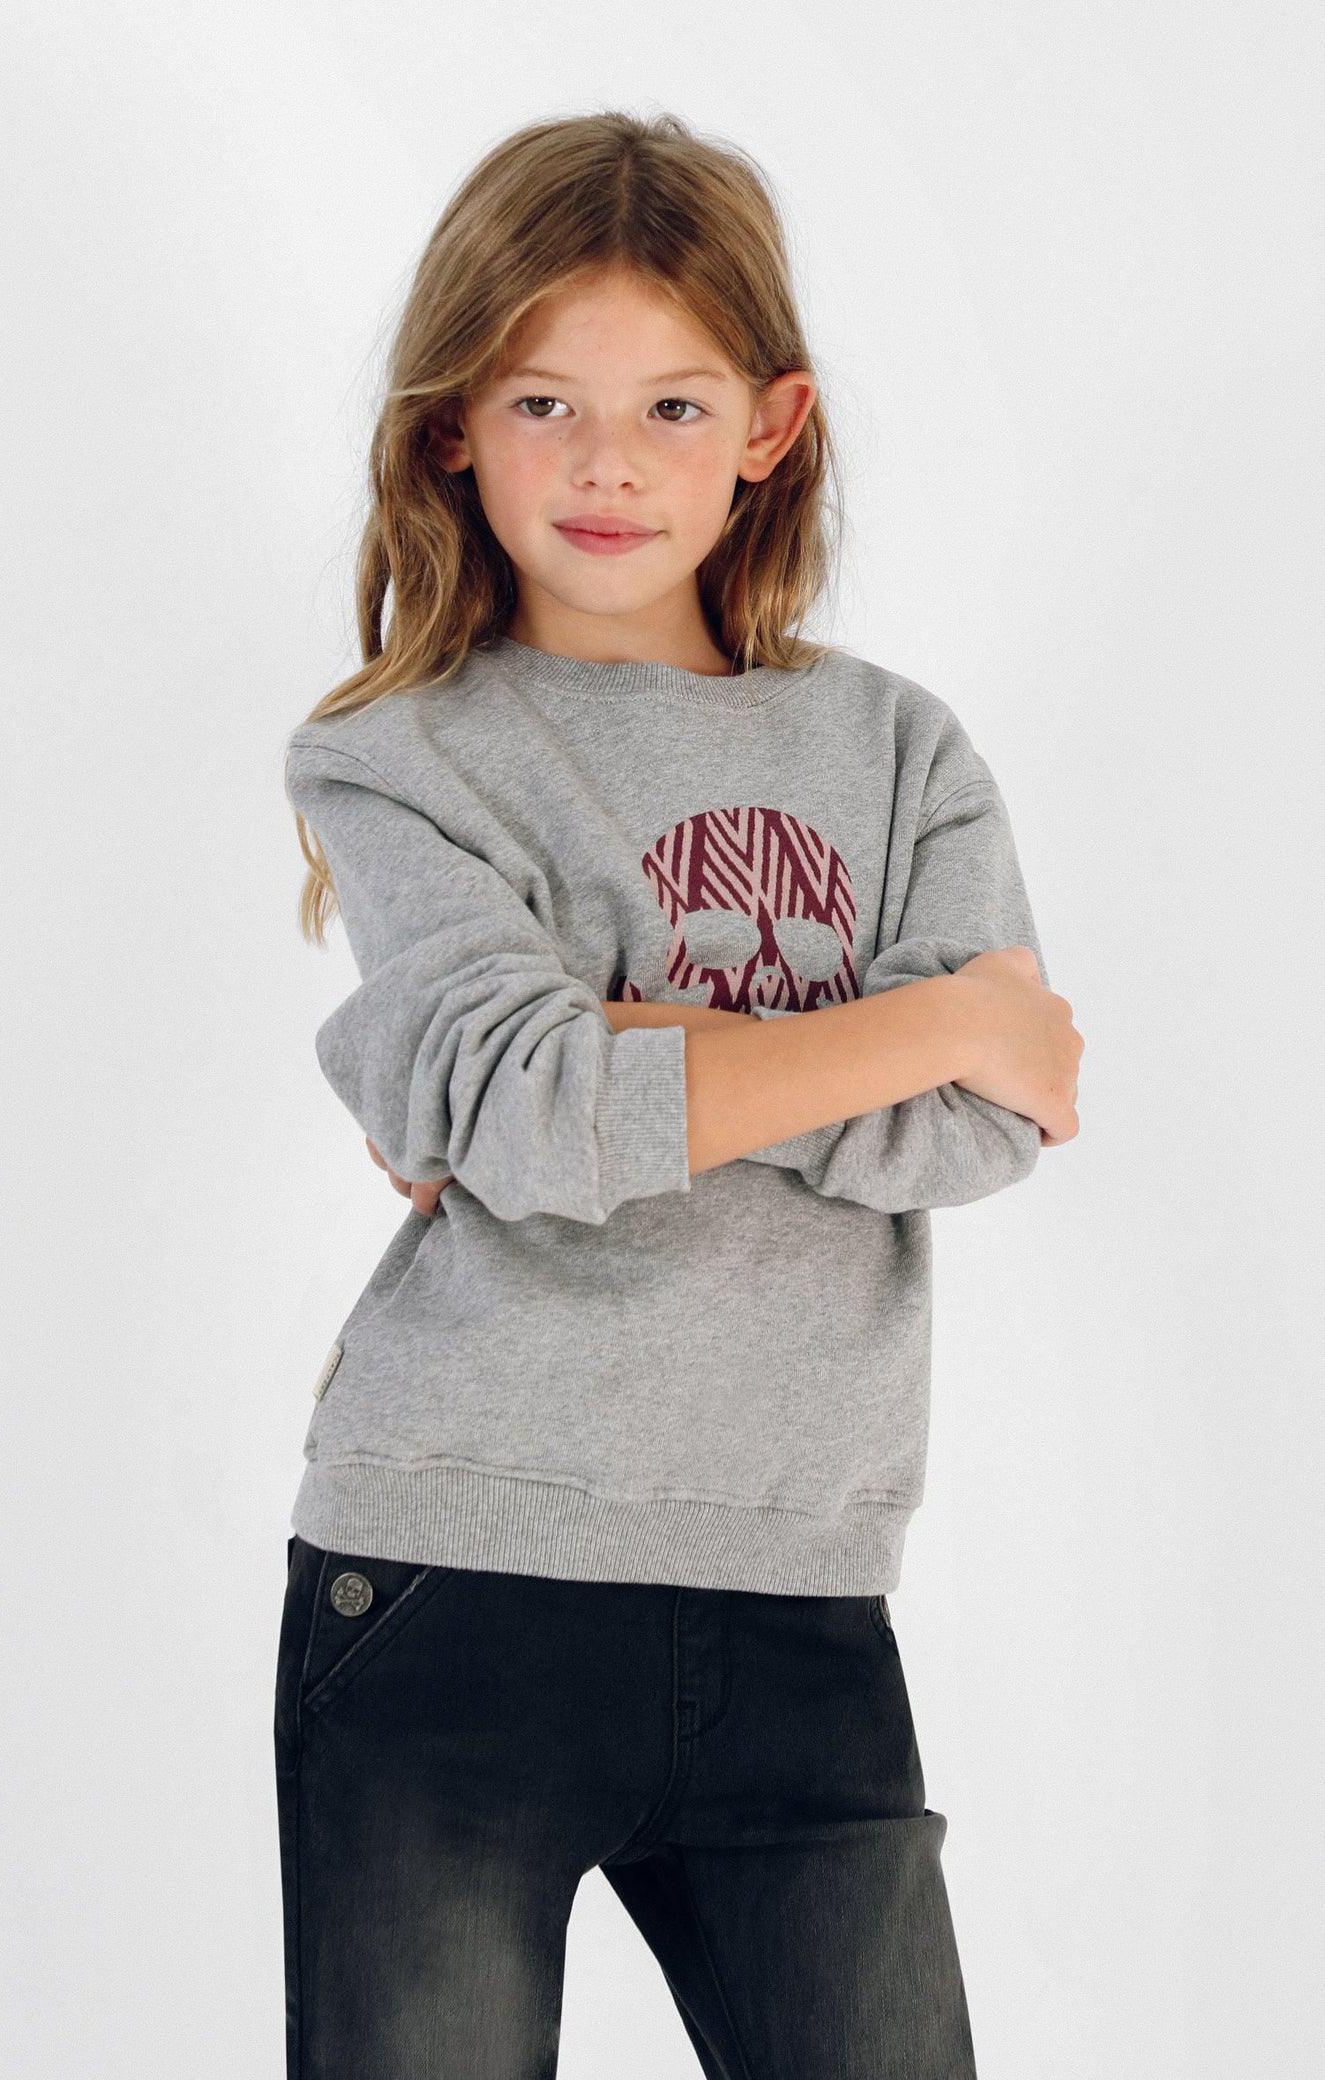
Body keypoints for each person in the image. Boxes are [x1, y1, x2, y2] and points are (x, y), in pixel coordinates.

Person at [273, 109, 1083, 2080]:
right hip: (453, 1579)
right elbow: (526, 1099)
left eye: (672, 405)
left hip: (803, 1592)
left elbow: (990, 1124)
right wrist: (930, 1018)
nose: (608, 462)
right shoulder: (401, 753)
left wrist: (629, 1056)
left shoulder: (897, 751)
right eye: (542, 401)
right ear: (452, 428)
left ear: (770, 425)